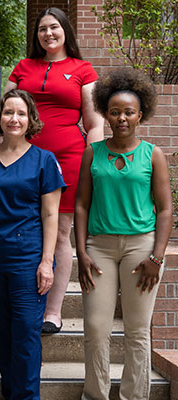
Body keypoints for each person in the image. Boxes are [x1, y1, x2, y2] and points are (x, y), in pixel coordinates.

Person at [5, 7, 105, 334]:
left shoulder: (83, 70)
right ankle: (21, 299)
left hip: (69, 159)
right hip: (24, 158)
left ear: (66, 32)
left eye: (54, 28)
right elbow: (6, 112)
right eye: (42, 29)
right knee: (22, 225)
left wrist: (95, 164)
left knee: (61, 232)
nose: (48, 34)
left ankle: (53, 310)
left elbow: (94, 123)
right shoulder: (23, 67)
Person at [0, 89, 65, 400]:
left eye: (21, 113)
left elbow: (51, 214)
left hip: (28, 261)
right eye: (8, 112)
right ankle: (12, 392)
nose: (14, 119)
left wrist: (47, 261)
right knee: (1, 334)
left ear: (31, 119)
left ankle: (26, 395)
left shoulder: (44, 161)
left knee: (26, 334)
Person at [75, 68, 172, 400]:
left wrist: (156, 257)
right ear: (105, 113)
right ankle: (96, 395)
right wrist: (82, 252)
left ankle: (133, 397)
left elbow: (164, 209)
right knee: (97, 329)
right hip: (98, 248)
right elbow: (82, 205)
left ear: (140, 114)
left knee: (137, 332)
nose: (121, 118)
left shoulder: (152, 155)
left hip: (141, 249)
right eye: (114, 112)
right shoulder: (94, 153)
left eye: (128, 112)